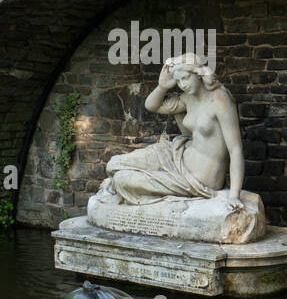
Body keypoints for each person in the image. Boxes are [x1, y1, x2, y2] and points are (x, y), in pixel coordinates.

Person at [95, 53, 244, 207]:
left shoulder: (220, 100)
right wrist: (163, 86)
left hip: (198, 179)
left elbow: (235, 149)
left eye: (185, 78)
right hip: (177, 155)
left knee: (122, 179)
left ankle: (114, 186)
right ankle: (114, 185)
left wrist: (234, 196)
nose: (182, 84)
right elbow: (152, 106)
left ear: (198, 74)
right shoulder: (187, 98)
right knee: (114, 163)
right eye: (178, 81)